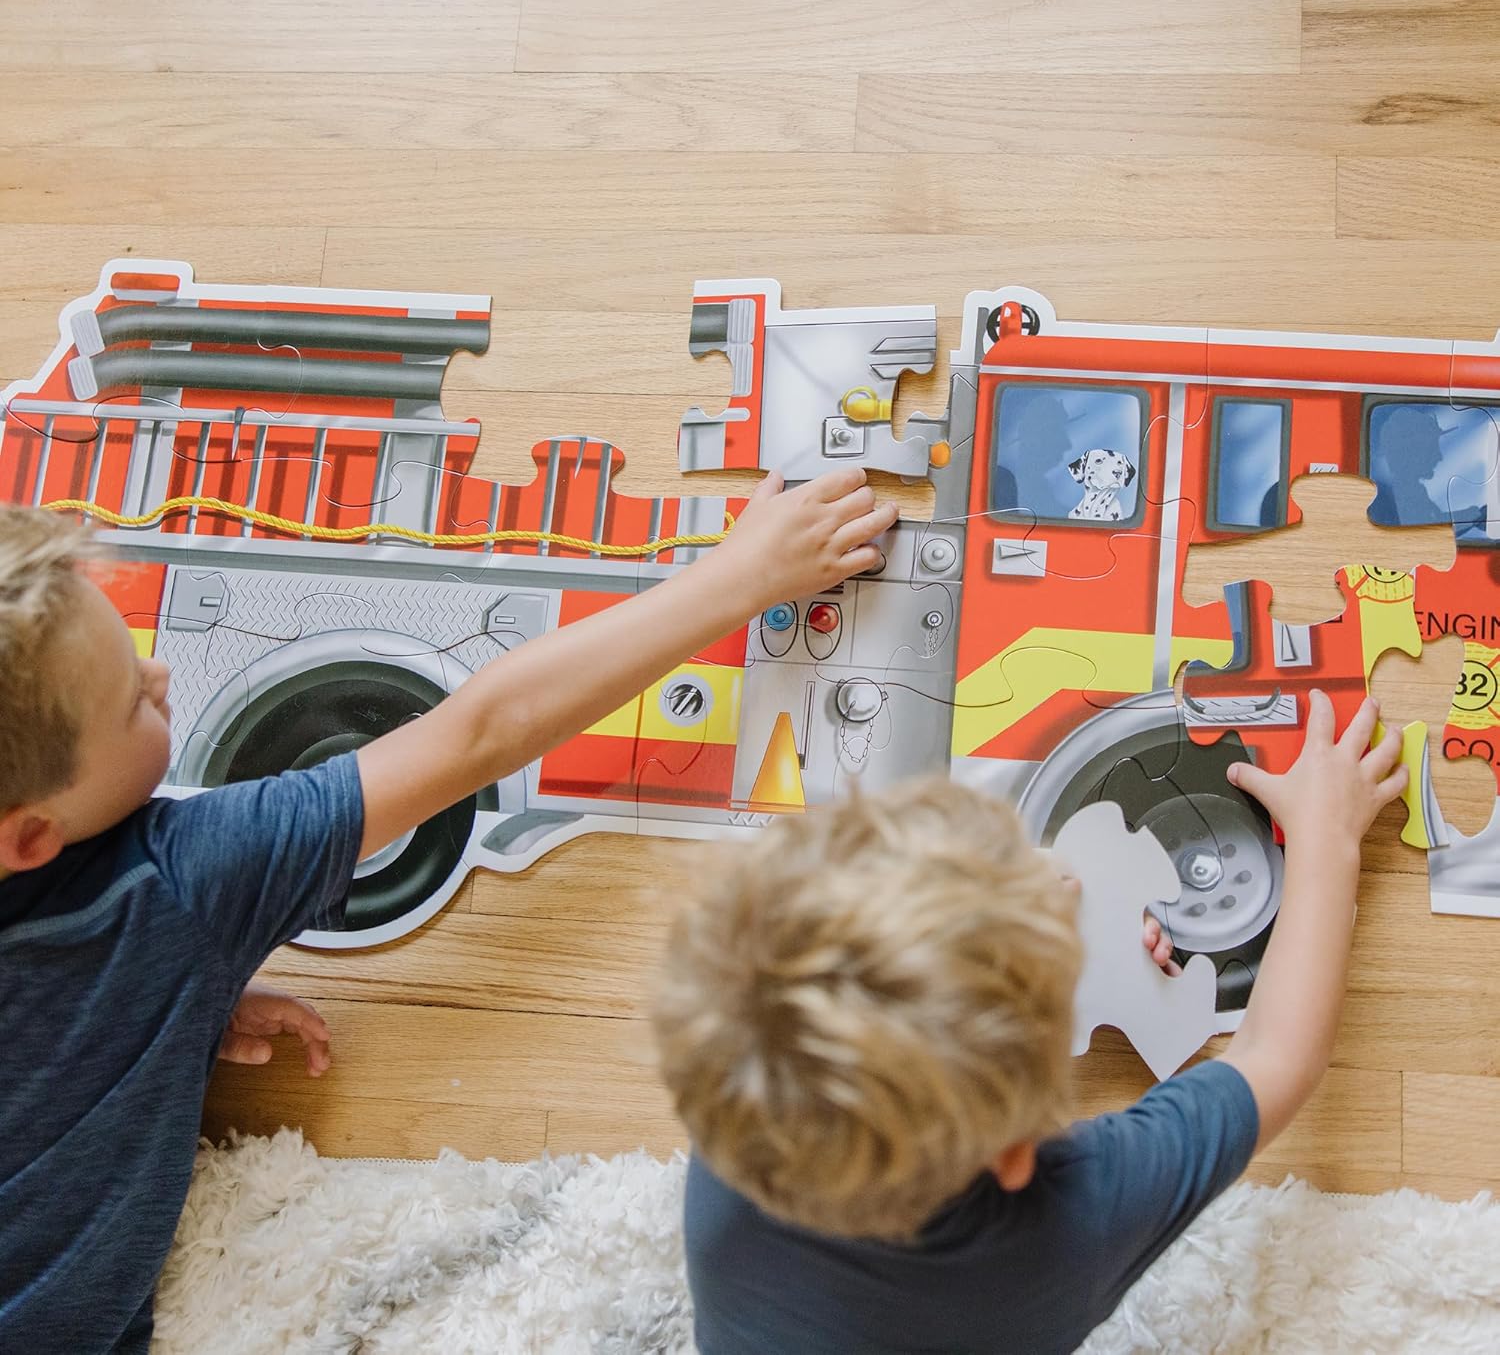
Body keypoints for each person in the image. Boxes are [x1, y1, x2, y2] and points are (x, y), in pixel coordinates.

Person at [0, 467, 896, 1354]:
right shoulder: (173, 883)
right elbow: (481, 732)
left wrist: (166, 1009)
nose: (159, 671)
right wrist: (740, 578)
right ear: (30, 835)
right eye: (132, 702)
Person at [653, 689, 1406, 1355]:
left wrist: (1007, 949)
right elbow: (1278, 1055)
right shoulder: (1071, 1223)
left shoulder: (738, 1118)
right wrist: (1326, 840)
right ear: (1016, 1155)